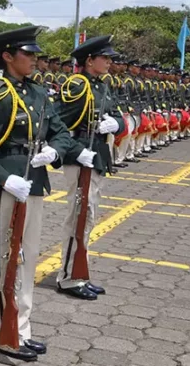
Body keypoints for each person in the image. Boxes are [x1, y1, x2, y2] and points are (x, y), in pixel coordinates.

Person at [0, 26, 95, 362]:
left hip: (34, 180)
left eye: (36, 54)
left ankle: (21, 327)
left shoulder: (38, 93)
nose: (36, 59)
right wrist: (1, 178)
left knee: (26, 259)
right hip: (8, 184)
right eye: (29, 54)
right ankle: (2, 332)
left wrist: (54, 151)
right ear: (8, 56)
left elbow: (61, 132)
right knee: (4, 260)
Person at [56, 35, 124, 300]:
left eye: (109, 58)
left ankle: (79, 272)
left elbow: (117, 112)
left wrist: (116, 124)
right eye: (104, 58)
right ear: (89, 60)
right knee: (77, 217)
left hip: (97, 154)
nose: (109, 62)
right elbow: (57, 124)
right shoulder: (77, 86)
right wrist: (75, 150)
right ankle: (68, 278)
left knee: (90, 216)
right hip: (81, 156)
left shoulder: (102, 85)